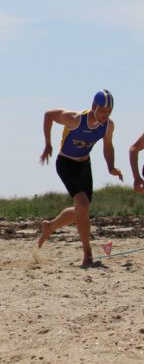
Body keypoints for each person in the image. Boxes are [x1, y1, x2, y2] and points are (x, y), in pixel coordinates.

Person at [38, 90, 122, 267]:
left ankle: (50, 226)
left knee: (81, 210)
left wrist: (111, 166)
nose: (105, 115)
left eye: (109, 111)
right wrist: (48, 143)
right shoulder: (75, 119)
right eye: (103, 110)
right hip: (66, 164)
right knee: (83, 205)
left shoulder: (108, 125)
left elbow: (108, 146)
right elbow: (48, 115)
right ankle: (88, 254)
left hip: (84, 165)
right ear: (94, 106)